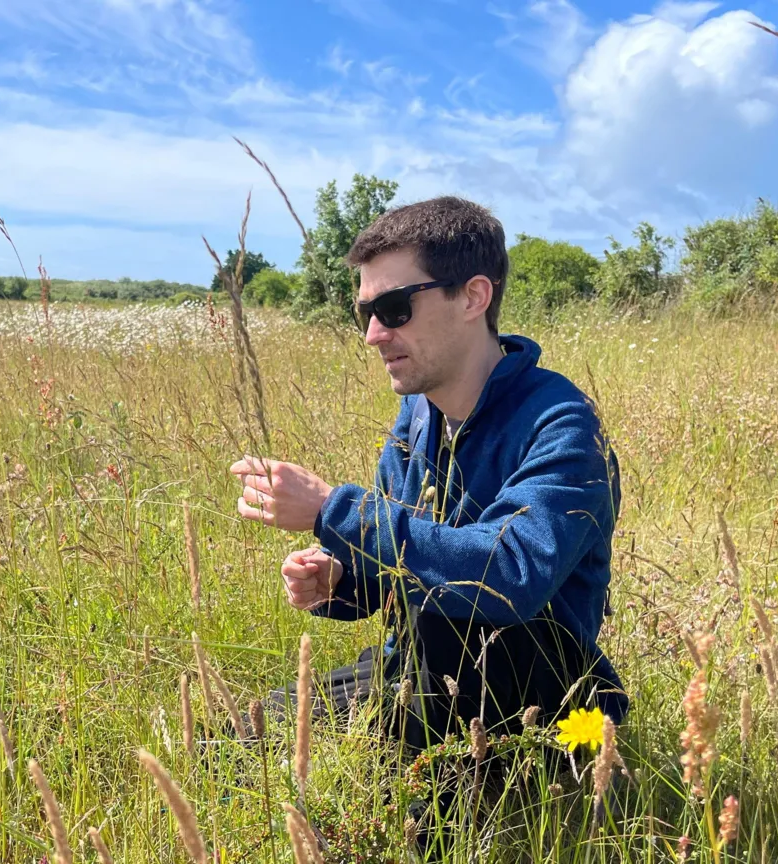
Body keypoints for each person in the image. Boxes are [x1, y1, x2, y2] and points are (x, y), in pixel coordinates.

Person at [231, 196, 626, 750]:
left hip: (541, 702)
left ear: (473, 296)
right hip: (421, 670)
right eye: (363, 313)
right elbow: (406, 567)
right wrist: (342, 579)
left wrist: (333, 512)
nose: (373, 334)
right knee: (234, 739)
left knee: (389, 789)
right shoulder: (418, 418)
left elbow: (509, 576)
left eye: (394, 308)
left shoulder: (561, 425)